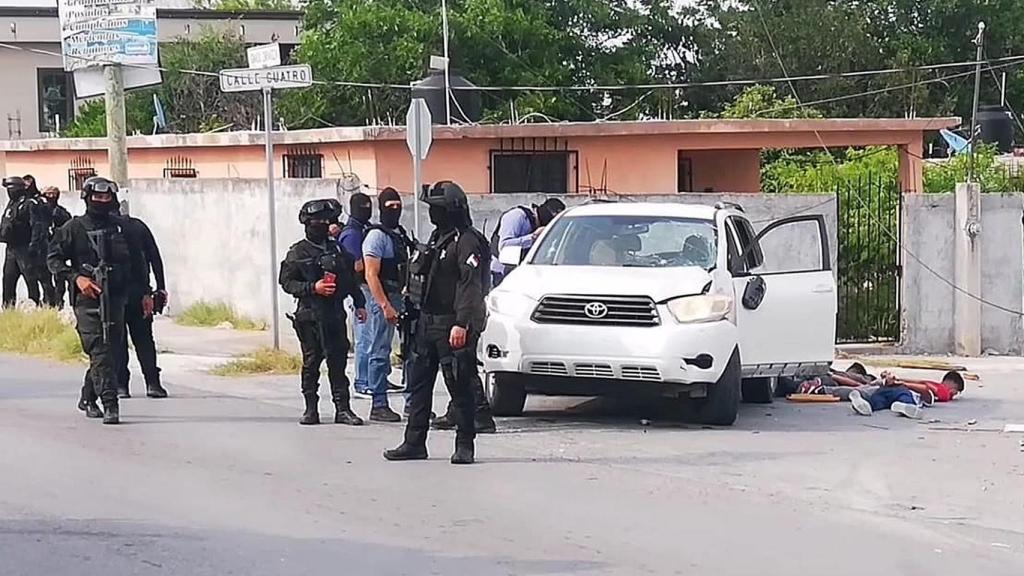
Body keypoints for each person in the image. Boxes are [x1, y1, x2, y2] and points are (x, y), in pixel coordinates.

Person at [384, 181, 490, 465]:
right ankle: (414, 442)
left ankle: (465, 444)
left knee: (460, 385)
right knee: (419, 385)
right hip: (425, 323)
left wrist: (462, 323)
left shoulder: (468, 240)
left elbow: (472, 286)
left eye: (437, 208)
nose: (433, 214)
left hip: (453, 324)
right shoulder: (437, 237)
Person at [47, 176, 135, 425]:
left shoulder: (121, 228)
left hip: (117, 298)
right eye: (97, 197)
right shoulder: (73, 228)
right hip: (88, 301)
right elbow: (52, 259)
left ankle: (87, 397)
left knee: (111, 353)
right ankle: (110, 403)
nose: (102, 201)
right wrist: (77, 279)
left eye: (107, 197)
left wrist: (146, 293)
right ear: (87, 198)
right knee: (100, 349)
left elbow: (137, 264)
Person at [279, 198, 368, 426]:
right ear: (308, 224)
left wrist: (359, 303)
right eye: (317, 221)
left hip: (335, 315)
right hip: (309, 316)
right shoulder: (298, 252)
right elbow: (287, 283)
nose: (322, 225)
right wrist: (313, 288)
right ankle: (311, 409)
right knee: (311, 364)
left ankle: (343, 409)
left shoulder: (337, 249)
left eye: (325, 221)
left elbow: (349, 280)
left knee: (338, 365)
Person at [361, 187, 413, 422]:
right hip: (384, 298)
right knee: (379, 351)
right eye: (390, 206)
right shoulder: (376, 236)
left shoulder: (399, 233)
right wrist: (384, 305)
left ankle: (412, 403)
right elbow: (371, 275)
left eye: (397, 205)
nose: (395, 210)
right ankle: (378, 403)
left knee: (412, 351)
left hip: (402, 297)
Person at [115, 203, 169, 400]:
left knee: (117, 339)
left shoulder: (95, 227)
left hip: (115, 294)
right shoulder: (137, 226)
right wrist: (160, 288)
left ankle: (122, 385)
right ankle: (152, 383)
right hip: (139, 292)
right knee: (144, 339)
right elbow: (155, 258)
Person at [338, 192, 374, 396]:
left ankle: (375, 378)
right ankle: (362, 381)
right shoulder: (352, 233)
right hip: (360, 289)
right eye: (363, 207)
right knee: (365, 337)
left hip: (366, 289)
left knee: (373, 337)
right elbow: (354, 265)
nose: (367, 210)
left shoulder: (362, 229)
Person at [488, 198, 565, 288]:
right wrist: (533, 237)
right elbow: (504, 245)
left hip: (526, 272)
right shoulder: (517, 216)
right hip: (502, 272)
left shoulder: (536, 225)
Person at [1, 176, 48, 308]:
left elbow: (37, 227)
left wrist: (33, 246)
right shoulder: (11, 204)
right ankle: (8, 308)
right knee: (8, 280)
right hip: (11, 249)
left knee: (31, 280)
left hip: (25, 248)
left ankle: (36, 306)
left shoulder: (30, 204)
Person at [39, 186, 72, 307]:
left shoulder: (61, 212)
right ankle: (48, 299)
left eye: (53, 194)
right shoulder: (41, 210)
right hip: (44, 246)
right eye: (49, 194)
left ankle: (59, 300)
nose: (51, 196)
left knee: (59, 276)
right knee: (45, 276)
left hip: (57, 247)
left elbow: (67, 225)